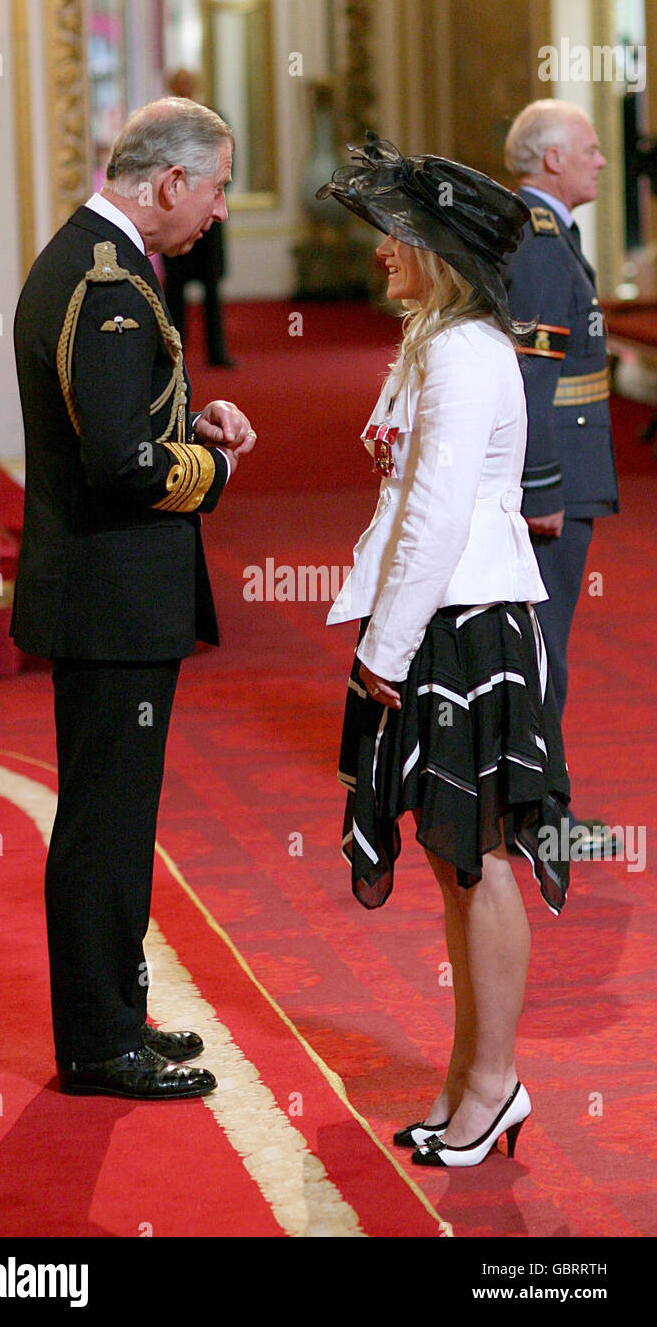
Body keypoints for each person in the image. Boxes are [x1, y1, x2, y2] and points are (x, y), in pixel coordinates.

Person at [319, 136, 571, 1168]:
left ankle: (494, 1082)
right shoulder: (436, 339)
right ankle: (472, 1079)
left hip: (461, 624)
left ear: (438, 251)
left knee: (480, 861)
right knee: (451, 858)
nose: (380, 253)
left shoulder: (465, 352)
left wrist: (384, 644)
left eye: (395, 237)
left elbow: (431, 513)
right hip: (438, 618)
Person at [11, 98, 256, 1099]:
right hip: (112, 596)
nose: (220, 211)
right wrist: (215, 467)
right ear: (167, 184)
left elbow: (126, 411)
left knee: (112, 818)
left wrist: (197, 417)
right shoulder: (105, 282)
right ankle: (98, 1042)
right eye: (217, 187)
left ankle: (114, 1017)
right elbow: (121, 464)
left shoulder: (97, 261)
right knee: (106, 824)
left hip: (109, 594)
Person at [504, 100, 619, 857]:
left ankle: (534, 807)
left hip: (566, 472)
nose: (603, 160)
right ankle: (542, 821)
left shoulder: (543, 232)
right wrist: (542, 487)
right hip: (556, 481)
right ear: (550, 160)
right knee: (545, 649)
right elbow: (532, 376)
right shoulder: (543, 245)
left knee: (542, 645)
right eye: (590, 148)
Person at [161, 69, 236, 368]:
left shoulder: (214, 123)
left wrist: (205, 196)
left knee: (212, 291)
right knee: (175, 292)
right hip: (175, 219)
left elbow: (230, 167)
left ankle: (216, 352)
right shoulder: (162, 127)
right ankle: (174, 356)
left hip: (209, 221)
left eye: (189, 86)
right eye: (180, 87)